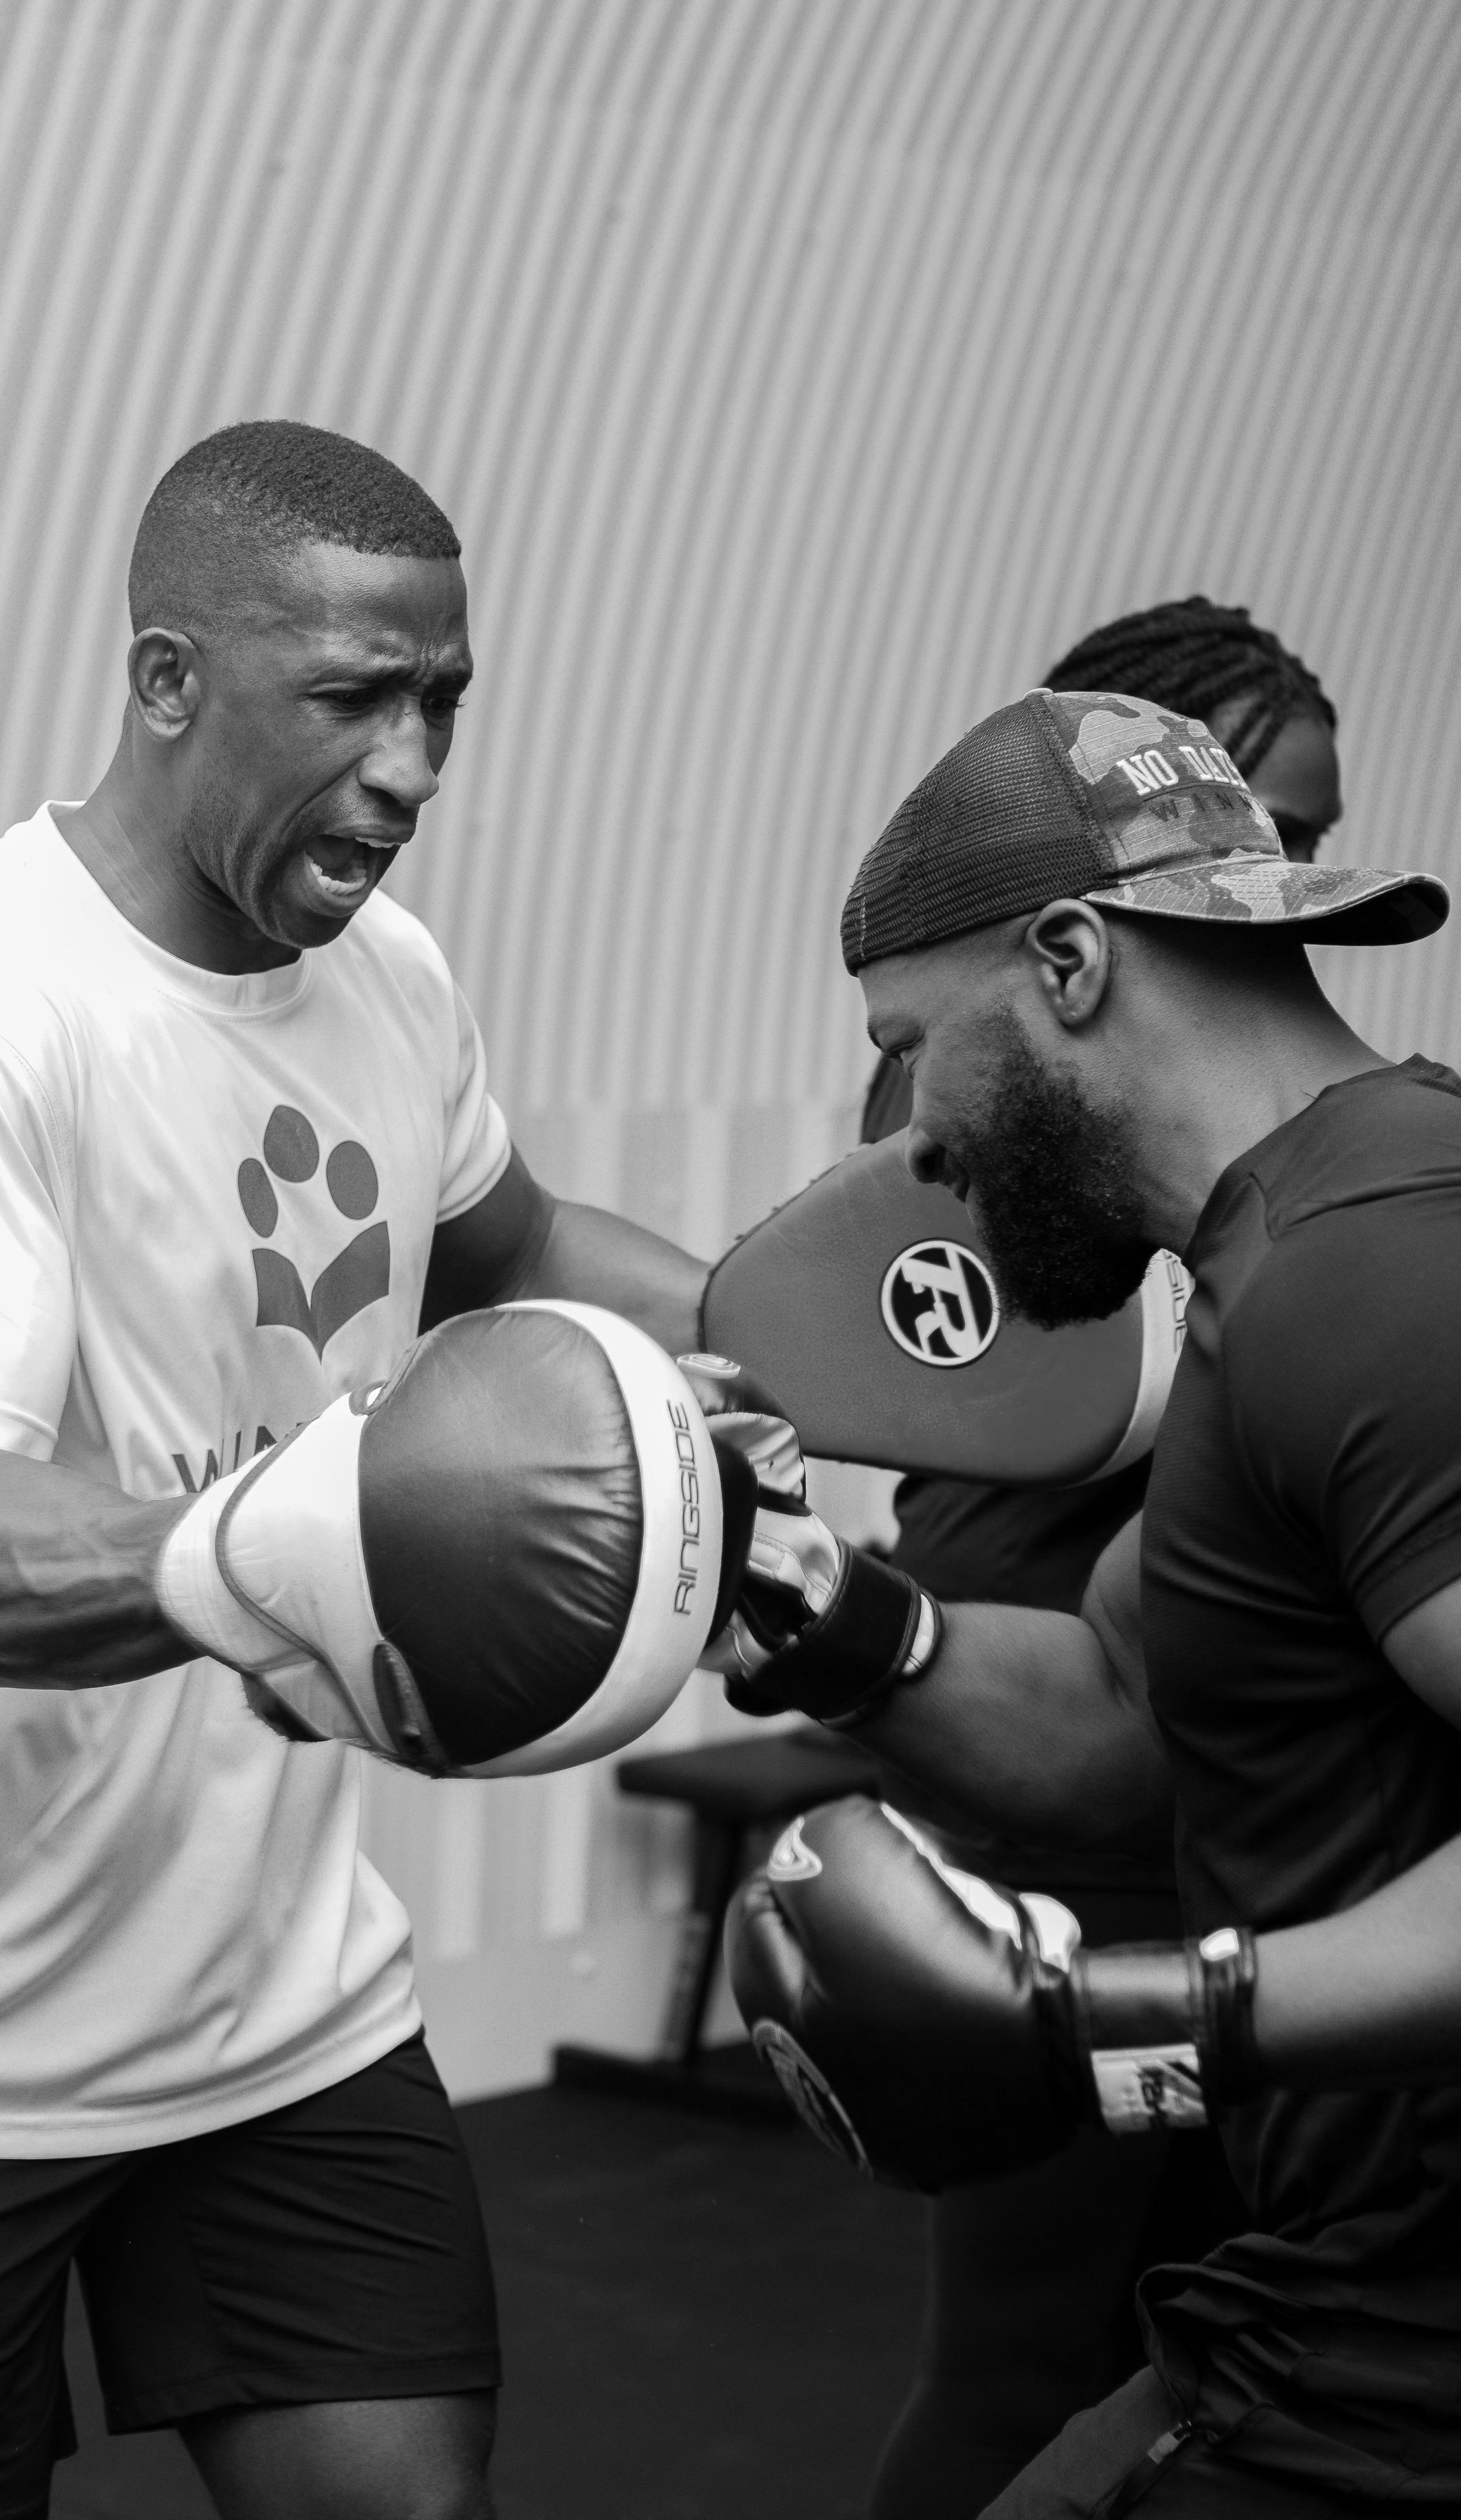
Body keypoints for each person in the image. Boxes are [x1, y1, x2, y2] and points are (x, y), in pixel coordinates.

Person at [0, 421, 716, 2520]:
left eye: (443, 702)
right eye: (354, 700)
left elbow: (511, 1246)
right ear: (168, 679)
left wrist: (782, 1344)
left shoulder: (390, 980)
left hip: (284, 2004)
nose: (413, 768)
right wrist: (301, 1546)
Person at [720, 683, 1461, 2511]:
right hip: (1337, 2291)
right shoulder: (1278, 1248)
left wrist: (1142, 2014)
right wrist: (799, 1589)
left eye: (913, 1050)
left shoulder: (1370, 1280)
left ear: (1067, 961)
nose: (920, 1149)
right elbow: (1128, 1707)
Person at [862, 603, 1341, 2519]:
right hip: (1061, 1767)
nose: (1273, 881)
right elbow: (965, 1436)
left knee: (1219, 2333)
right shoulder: (983, 1110)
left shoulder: (1323, 1220)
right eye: (1256, 825)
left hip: (1236, 1803)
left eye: (1306, 838)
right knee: (1023, 2350)